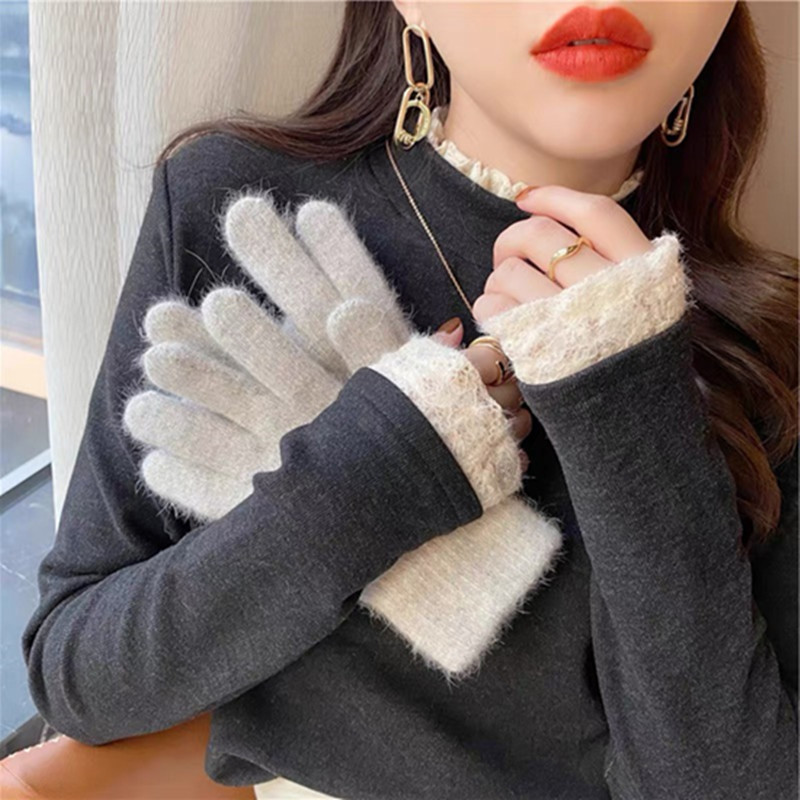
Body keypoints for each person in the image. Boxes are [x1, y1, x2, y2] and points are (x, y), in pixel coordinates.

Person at [20, 2, 798, 799]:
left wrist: (634, 407)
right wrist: (369, 479)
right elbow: (76, 674)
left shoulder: (773, 350)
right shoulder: (231, 200)